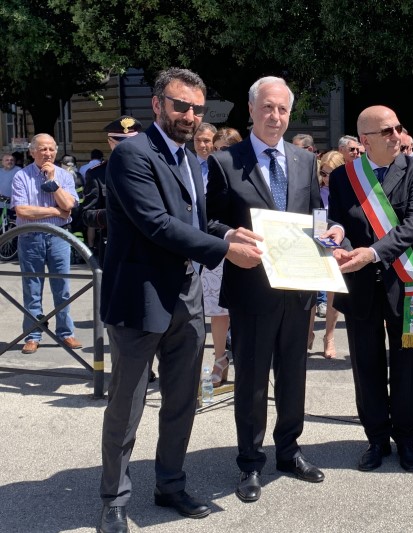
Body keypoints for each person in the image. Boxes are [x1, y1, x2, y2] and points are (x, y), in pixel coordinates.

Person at [97, 67, 263, 533]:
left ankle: (170, 484)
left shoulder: (192, 160)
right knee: (127, 406)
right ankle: (113, 499)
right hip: (140, 298)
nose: (189, 116)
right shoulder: (131, 154)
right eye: (180, 106)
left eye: (196, 109)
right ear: (157, 105)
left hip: (186, 297)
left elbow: (195, 221)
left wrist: (229, 232)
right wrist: (225, 250)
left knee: (182, 401)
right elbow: (156, 223)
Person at [206, 76, 343, 502]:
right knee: (250, 380)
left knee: (293, 376)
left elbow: (315, 213)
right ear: (251, 109)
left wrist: (332, 230)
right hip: (251, 289)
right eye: (267, 107)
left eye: (283, 109)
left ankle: (289, 450)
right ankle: (250, 461)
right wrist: (230, 237)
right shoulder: (226, 161)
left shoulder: (303, 160)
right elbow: (209, 221)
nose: (275, 116)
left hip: (298, 288)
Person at [328, 105, 413, 473]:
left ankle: (406, 438)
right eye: (387, 131)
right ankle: (376, 438)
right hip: (359, 285)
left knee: (408, 366)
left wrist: (373, 253)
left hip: (407, 284)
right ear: (365, 140)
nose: (397, 136)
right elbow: (336, 218)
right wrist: (336, 237)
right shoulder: (344, 176)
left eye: (398, 128)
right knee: (366, 366)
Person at [10, 134, 81, 355]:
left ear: (56, 151)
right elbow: (22, 210)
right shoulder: (21, 176)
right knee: (32, 288)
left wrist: (53, 182)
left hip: (59, 237)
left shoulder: (64, 175)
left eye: (51, 149)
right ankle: (33, 335)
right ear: (32, 152)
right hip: (30, 238)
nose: (47, 153)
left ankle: (65, 332)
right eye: (42, 149)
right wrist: (54, 211)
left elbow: (68, 205)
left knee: (62, 288)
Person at [199, 126, 242, 387]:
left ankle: (245, 361)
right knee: (217, 310)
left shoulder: (246, 170)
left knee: (243, 310)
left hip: (245, 245)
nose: (217, 154)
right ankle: (219, 360)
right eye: (215, 149)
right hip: (218, 246)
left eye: (224, 149)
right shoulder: (201, 170)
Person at [82, 115, 144, 264]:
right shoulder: (97, 174)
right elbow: (87, 215)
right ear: (110, 142)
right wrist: (114, 215)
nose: (128, 148)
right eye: (121, 143)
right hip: (114, 245)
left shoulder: (151, 168)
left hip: (146, 246)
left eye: (132, 143)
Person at [308, 150, 346, 359]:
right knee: (310, 295)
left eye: (332, 173)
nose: (327, 178)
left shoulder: (346, 191)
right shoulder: (316, 191)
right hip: (316, 244)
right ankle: (308, 333)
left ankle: (329, 337)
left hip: (338, 247)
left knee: (333, 296)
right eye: (323, 173)